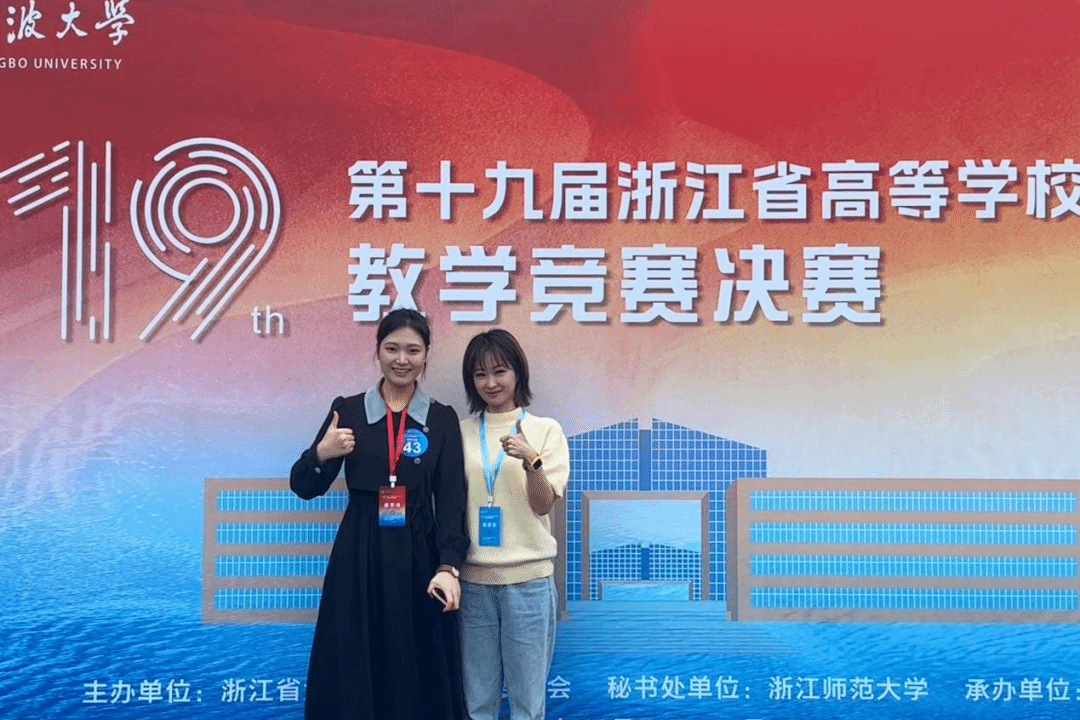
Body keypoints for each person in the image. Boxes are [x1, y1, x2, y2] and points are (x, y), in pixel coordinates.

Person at [289, 308, 469, 720]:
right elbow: (304, 486)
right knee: (354, 654)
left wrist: (448, 565)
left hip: (419, 554)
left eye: (413, 350)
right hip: (360, 552)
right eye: (392, 348)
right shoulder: (349, 411)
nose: (402, 360)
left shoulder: (440, 418)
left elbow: (451, 500)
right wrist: (321, 454)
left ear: (427, 355)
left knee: (416, 659)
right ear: (377, 351)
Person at [457, 329, 570, 720]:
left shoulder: (546, 430)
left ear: (518, 372)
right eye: (480, 374)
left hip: (529, 583)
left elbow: (542, 504)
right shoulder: (460, 432)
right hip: (473, 584)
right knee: (477, 702)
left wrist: (531, 461)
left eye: (500, 371)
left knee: (527, 704)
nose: (490, 383)